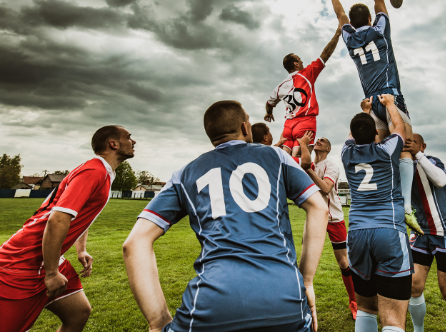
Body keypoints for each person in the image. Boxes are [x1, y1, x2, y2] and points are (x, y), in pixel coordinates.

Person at [123, 100, 328, 332]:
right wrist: (307, 281)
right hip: (285, 296)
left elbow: (134, 243)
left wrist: (157, 321)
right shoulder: (277, 157)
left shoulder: (184, 173)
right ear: (244, 127)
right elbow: (319, 209)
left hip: (211, 303)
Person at [0, 125, 136, 332]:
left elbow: (77, 215)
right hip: (23, 262)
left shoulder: (103, 172)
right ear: (113, 144)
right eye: (129, 137)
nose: (133, 142)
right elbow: (57, 219)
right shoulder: (94, 171)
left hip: (47, 258)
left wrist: (81, 249)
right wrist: (51, 272)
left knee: (78, 313)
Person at [324, 0, 422, 235]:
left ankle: (382, 201)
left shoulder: (349, 38)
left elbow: (339, 14)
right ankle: (404, 208)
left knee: (378, 148)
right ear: (369, 17)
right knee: (405, 147)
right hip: (390, 97)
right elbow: (380, 1)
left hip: (370, 102)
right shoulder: (379, 29)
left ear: (351, 23)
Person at [341, 93, 412, 332]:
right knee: (392, 317)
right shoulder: (386, 150)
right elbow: (399, 128)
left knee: (366, 308)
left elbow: (354, 134)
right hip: (388, 231)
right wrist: (390, 105)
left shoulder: (346, 153)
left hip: (358, 234)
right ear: (375, 135)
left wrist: (365, 110)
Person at [404, 134, 446, 332]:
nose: (408, 145)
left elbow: (441, 180)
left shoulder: (432, 161)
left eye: (413, 142)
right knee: (413, 287)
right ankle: (419, 330)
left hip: (444, 233)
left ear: (423, 146)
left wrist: (418, 155)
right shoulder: (403, 168)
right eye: (405, 143)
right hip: (420, 233)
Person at [265, 27, 341, 157]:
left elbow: (269, 103)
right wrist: (337, 33)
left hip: (288, 127)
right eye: (300, 60)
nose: (302, 62)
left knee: (286, 160)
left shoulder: (280, 86)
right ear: (296, 64)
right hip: (305, 122)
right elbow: (326, 54)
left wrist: (269, 113)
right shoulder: (306, 74)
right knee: (299, 162)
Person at [304, 136, 358, 320]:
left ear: (328, 148)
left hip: (334, 219)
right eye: (317, 139)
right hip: (315, 218)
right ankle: (303, 303)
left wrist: (308, 171)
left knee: (344, 262)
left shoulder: (331, 165)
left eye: (323, 140)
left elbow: (326, 188)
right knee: (306, 264)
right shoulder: (308, 164)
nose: (318, 140)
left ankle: (354, 301)